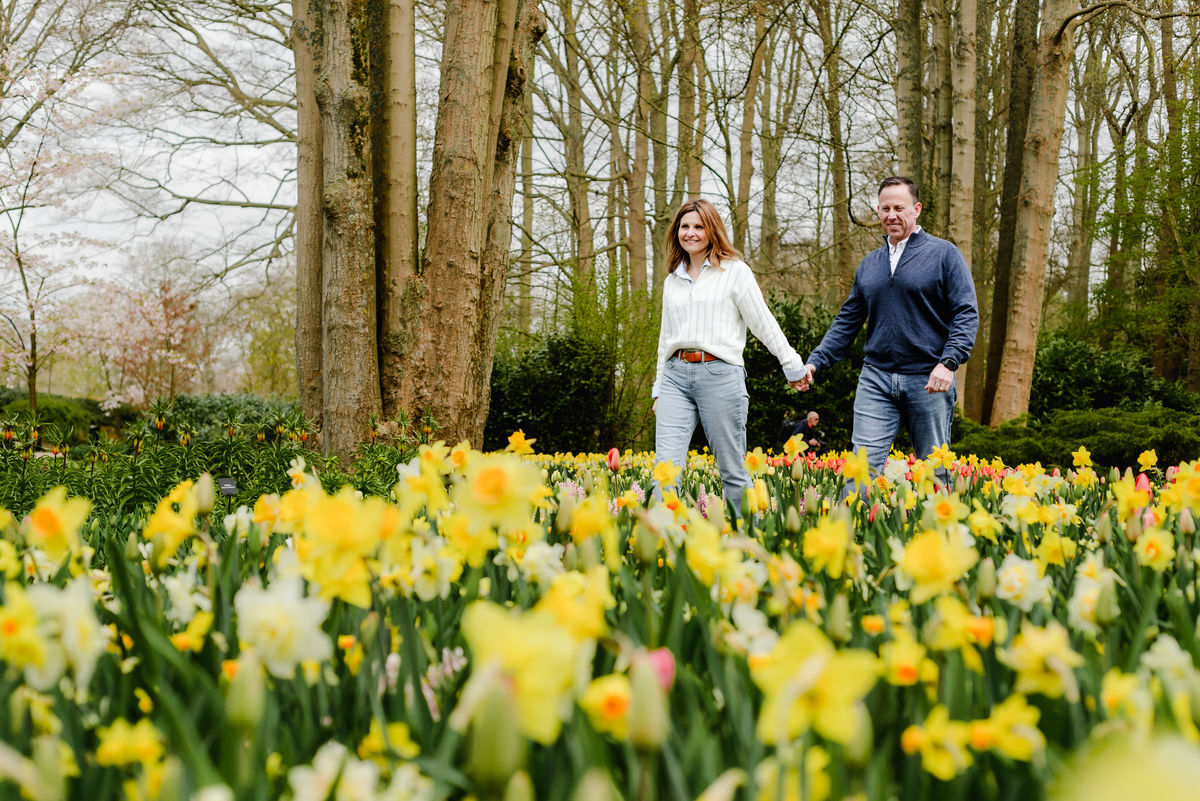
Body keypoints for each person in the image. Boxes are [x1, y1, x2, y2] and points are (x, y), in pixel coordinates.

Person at [795, 176, 978, 481]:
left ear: (916, 209)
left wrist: (949, 362)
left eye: (899, 207)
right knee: (860, 471)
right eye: (885, 208)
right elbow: (847, 320)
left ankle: (939, 528)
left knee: (935, 472)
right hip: (876, 378)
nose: (892, 215)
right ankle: (851, 527)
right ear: (878, 212)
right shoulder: (870, 265)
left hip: (928, 378)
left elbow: (966, 313)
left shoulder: (944, 255)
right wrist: (816, 360)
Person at [653, 198, 807, 516]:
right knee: (665, 473)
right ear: (676, 232)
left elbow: (763, 322)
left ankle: (747, 543)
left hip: (720, 376)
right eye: (685, 226)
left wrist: (792, 364)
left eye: (699, 226)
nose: (691, 233)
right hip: (674, 377)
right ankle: (660, 548)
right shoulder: (672, 280)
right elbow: (665, 338)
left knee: (733, 471)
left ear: (712, 231)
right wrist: (658, 388)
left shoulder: (735, 273)